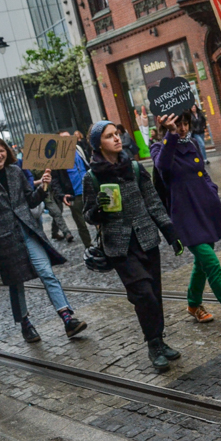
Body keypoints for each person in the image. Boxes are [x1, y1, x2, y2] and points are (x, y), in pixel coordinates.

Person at [84, 121, 181, 372]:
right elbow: (88, 215)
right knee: (144, 294)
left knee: (155, 294)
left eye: (117, 134)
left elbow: (154, 203)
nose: (117, 138)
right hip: (119, 246)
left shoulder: (135, 168)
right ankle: (152, 344)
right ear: (98, 144)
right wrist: (99, 210)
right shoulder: (92, 177)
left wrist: (171, 232)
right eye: (109, 136)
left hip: (147, 239)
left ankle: (159, 340)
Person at [0, 136, 87, 343]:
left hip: (28, 231)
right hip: (4, 239)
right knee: (16, 283)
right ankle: (25, 324)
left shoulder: (15, 171)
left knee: (47, 273)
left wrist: (43, 189)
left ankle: (67, 318)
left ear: (7, 152)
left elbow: (30, 200)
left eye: (2, 151)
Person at [151, 111, 221, 330]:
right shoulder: (160, 147)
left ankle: (193, 304)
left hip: (205, 210)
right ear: (166, 124)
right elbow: (163, 166)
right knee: (212, 264)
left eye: (186, 123)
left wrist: (212, 190)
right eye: (178, 124)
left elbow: (202, 173)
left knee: (202, 264)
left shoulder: (192, 145)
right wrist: (170, 135)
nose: (183, 128)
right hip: (185, 217)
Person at [51, 131, 93, 249]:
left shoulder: (78, 149)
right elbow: (54, 180)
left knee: (97, 218)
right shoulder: (57, 157)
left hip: (89, 190)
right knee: (81, 224)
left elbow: (87, 165)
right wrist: (61, 195)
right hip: (74, 194)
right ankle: (89, 246)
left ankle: (103, 244)